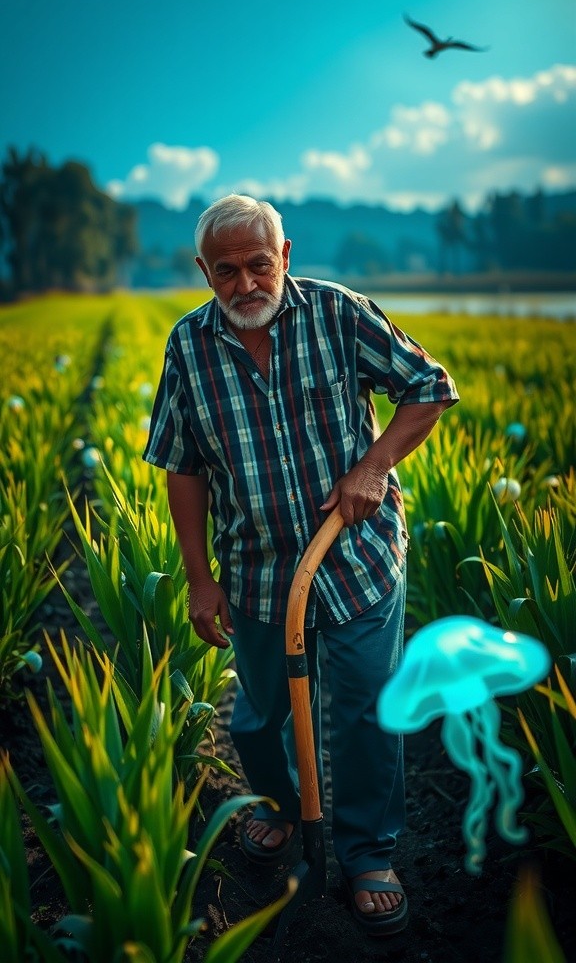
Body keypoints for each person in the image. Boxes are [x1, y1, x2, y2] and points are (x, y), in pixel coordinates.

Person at [143, 194, 459, 936]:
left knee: (362, 707)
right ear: (204, 272)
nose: (246, 285)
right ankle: (286, 808)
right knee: (259, 716)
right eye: (227, 272)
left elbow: (428, 387)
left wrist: (375, 465)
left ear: (285, 256)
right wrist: (198, 577)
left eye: (260, 265)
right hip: (255, 568)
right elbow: (181, 466)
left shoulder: (338, 313)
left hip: (353, 555)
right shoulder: (188, 347)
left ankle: (368, 851)